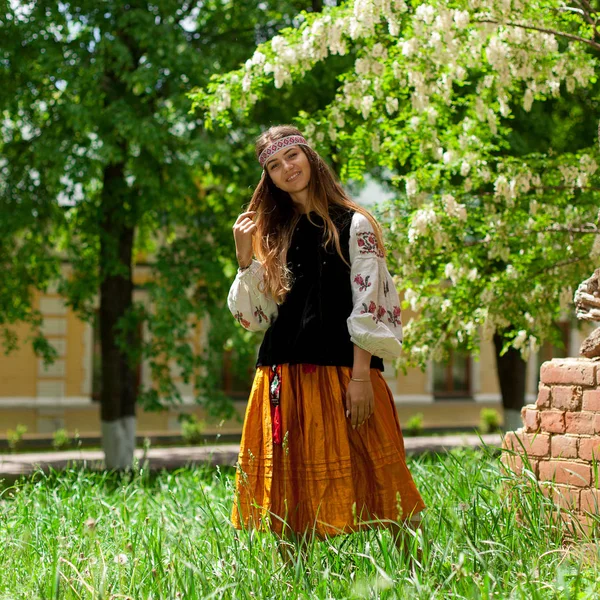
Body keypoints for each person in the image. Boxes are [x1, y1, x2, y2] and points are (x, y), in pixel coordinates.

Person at [227, 124, 425, 557]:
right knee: (289, 483)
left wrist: (360, 377)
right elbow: (255, 318)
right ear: (269, 177)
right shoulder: (273, 232)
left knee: (385, 477)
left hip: (345, 370)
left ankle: (416, 575)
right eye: (274, 166)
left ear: (309, 157)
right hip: (283, 373)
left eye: (291, 156)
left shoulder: (355, 223)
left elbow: (369, 302)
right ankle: (295, 581)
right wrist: (245, 257)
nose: (286, 169)